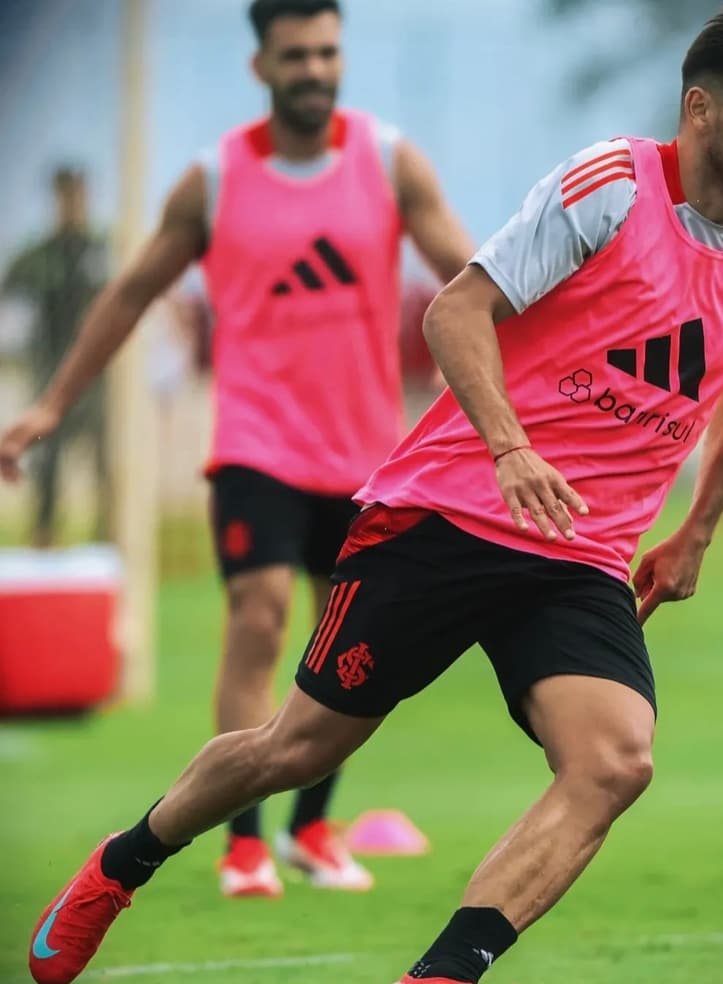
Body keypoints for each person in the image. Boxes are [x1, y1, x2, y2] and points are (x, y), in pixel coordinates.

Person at [16, 5, 723, 984]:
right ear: (700, 109)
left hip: (578, 552)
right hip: (447, 512)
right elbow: (454, 308)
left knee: (615, 759)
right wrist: (510, 446)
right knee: (296, 747)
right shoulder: (612, 185)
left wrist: (699, 526)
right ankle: (121, 863)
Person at [0, 0, 473, 899]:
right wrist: (51, 405)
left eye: (328, 52)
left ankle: (313, 829)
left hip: (369, 456)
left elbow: (472, 276)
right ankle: (244, 842)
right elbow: (132, 291)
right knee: (258, 618)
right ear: (260, 66)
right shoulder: (213, 181)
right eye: (295, 55)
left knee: (352, 644)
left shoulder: (387, 159)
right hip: (256, 445)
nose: (314, 69)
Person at [1, 166, 111, 547]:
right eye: (65, 197)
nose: (72, 205)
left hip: (97, 381)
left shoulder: (102, 252)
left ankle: (108, 544)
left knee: (106, 463)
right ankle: (43, 544)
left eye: (77, 196)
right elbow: (10, 292)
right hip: (50, 375)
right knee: (48, 468)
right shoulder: (39, 257)